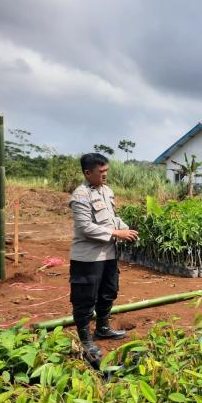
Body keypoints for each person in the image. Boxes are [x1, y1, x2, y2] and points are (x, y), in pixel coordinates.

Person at [69, 153, 139, 362]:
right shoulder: (80, 195)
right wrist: (117, 234)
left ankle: (103, 328)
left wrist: (125, 229)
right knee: (85, 298)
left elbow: (112, 218)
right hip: (88, 257)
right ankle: (85, 339)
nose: (105, 175)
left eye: (106, 171)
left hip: (108, 253)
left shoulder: (106, 191)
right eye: (101, 172)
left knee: (109, 291)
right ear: (88, 173)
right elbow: (85, 227)